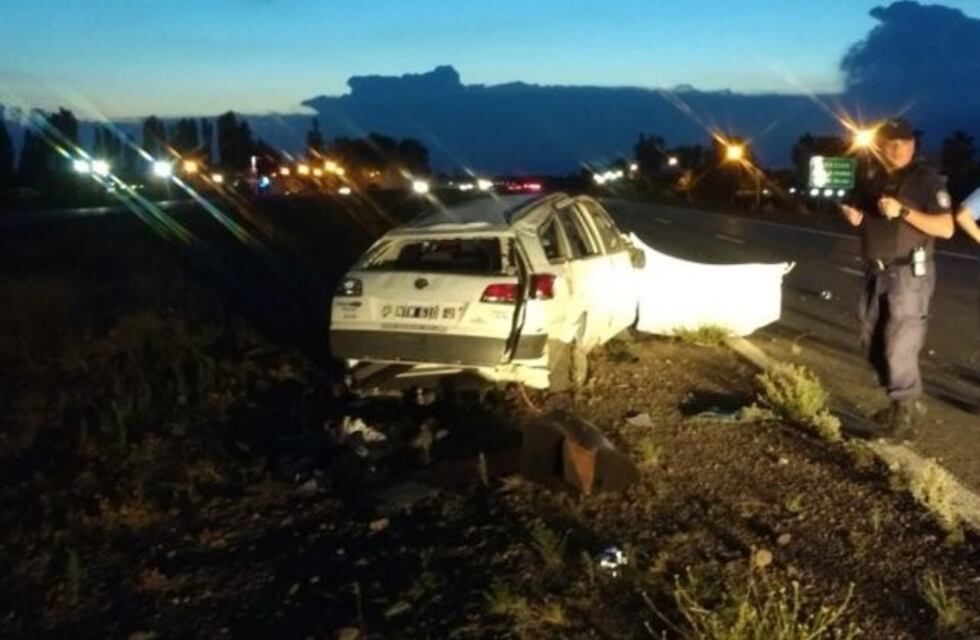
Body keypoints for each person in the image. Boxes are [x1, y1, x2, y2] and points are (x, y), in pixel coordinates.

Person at [839, 118, 954, 438]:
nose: (897, 149)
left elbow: (946, 228)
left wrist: (903, 211)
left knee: (899, 343)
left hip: (908, 274)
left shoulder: (926, 180)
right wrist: (853, 216)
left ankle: (905, 412)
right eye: (890, 143)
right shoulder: (872, 176)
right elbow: (858, 210)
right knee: (872, 341)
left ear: (913, 145)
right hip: (874, 270)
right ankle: (900, 402)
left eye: (903, 142)